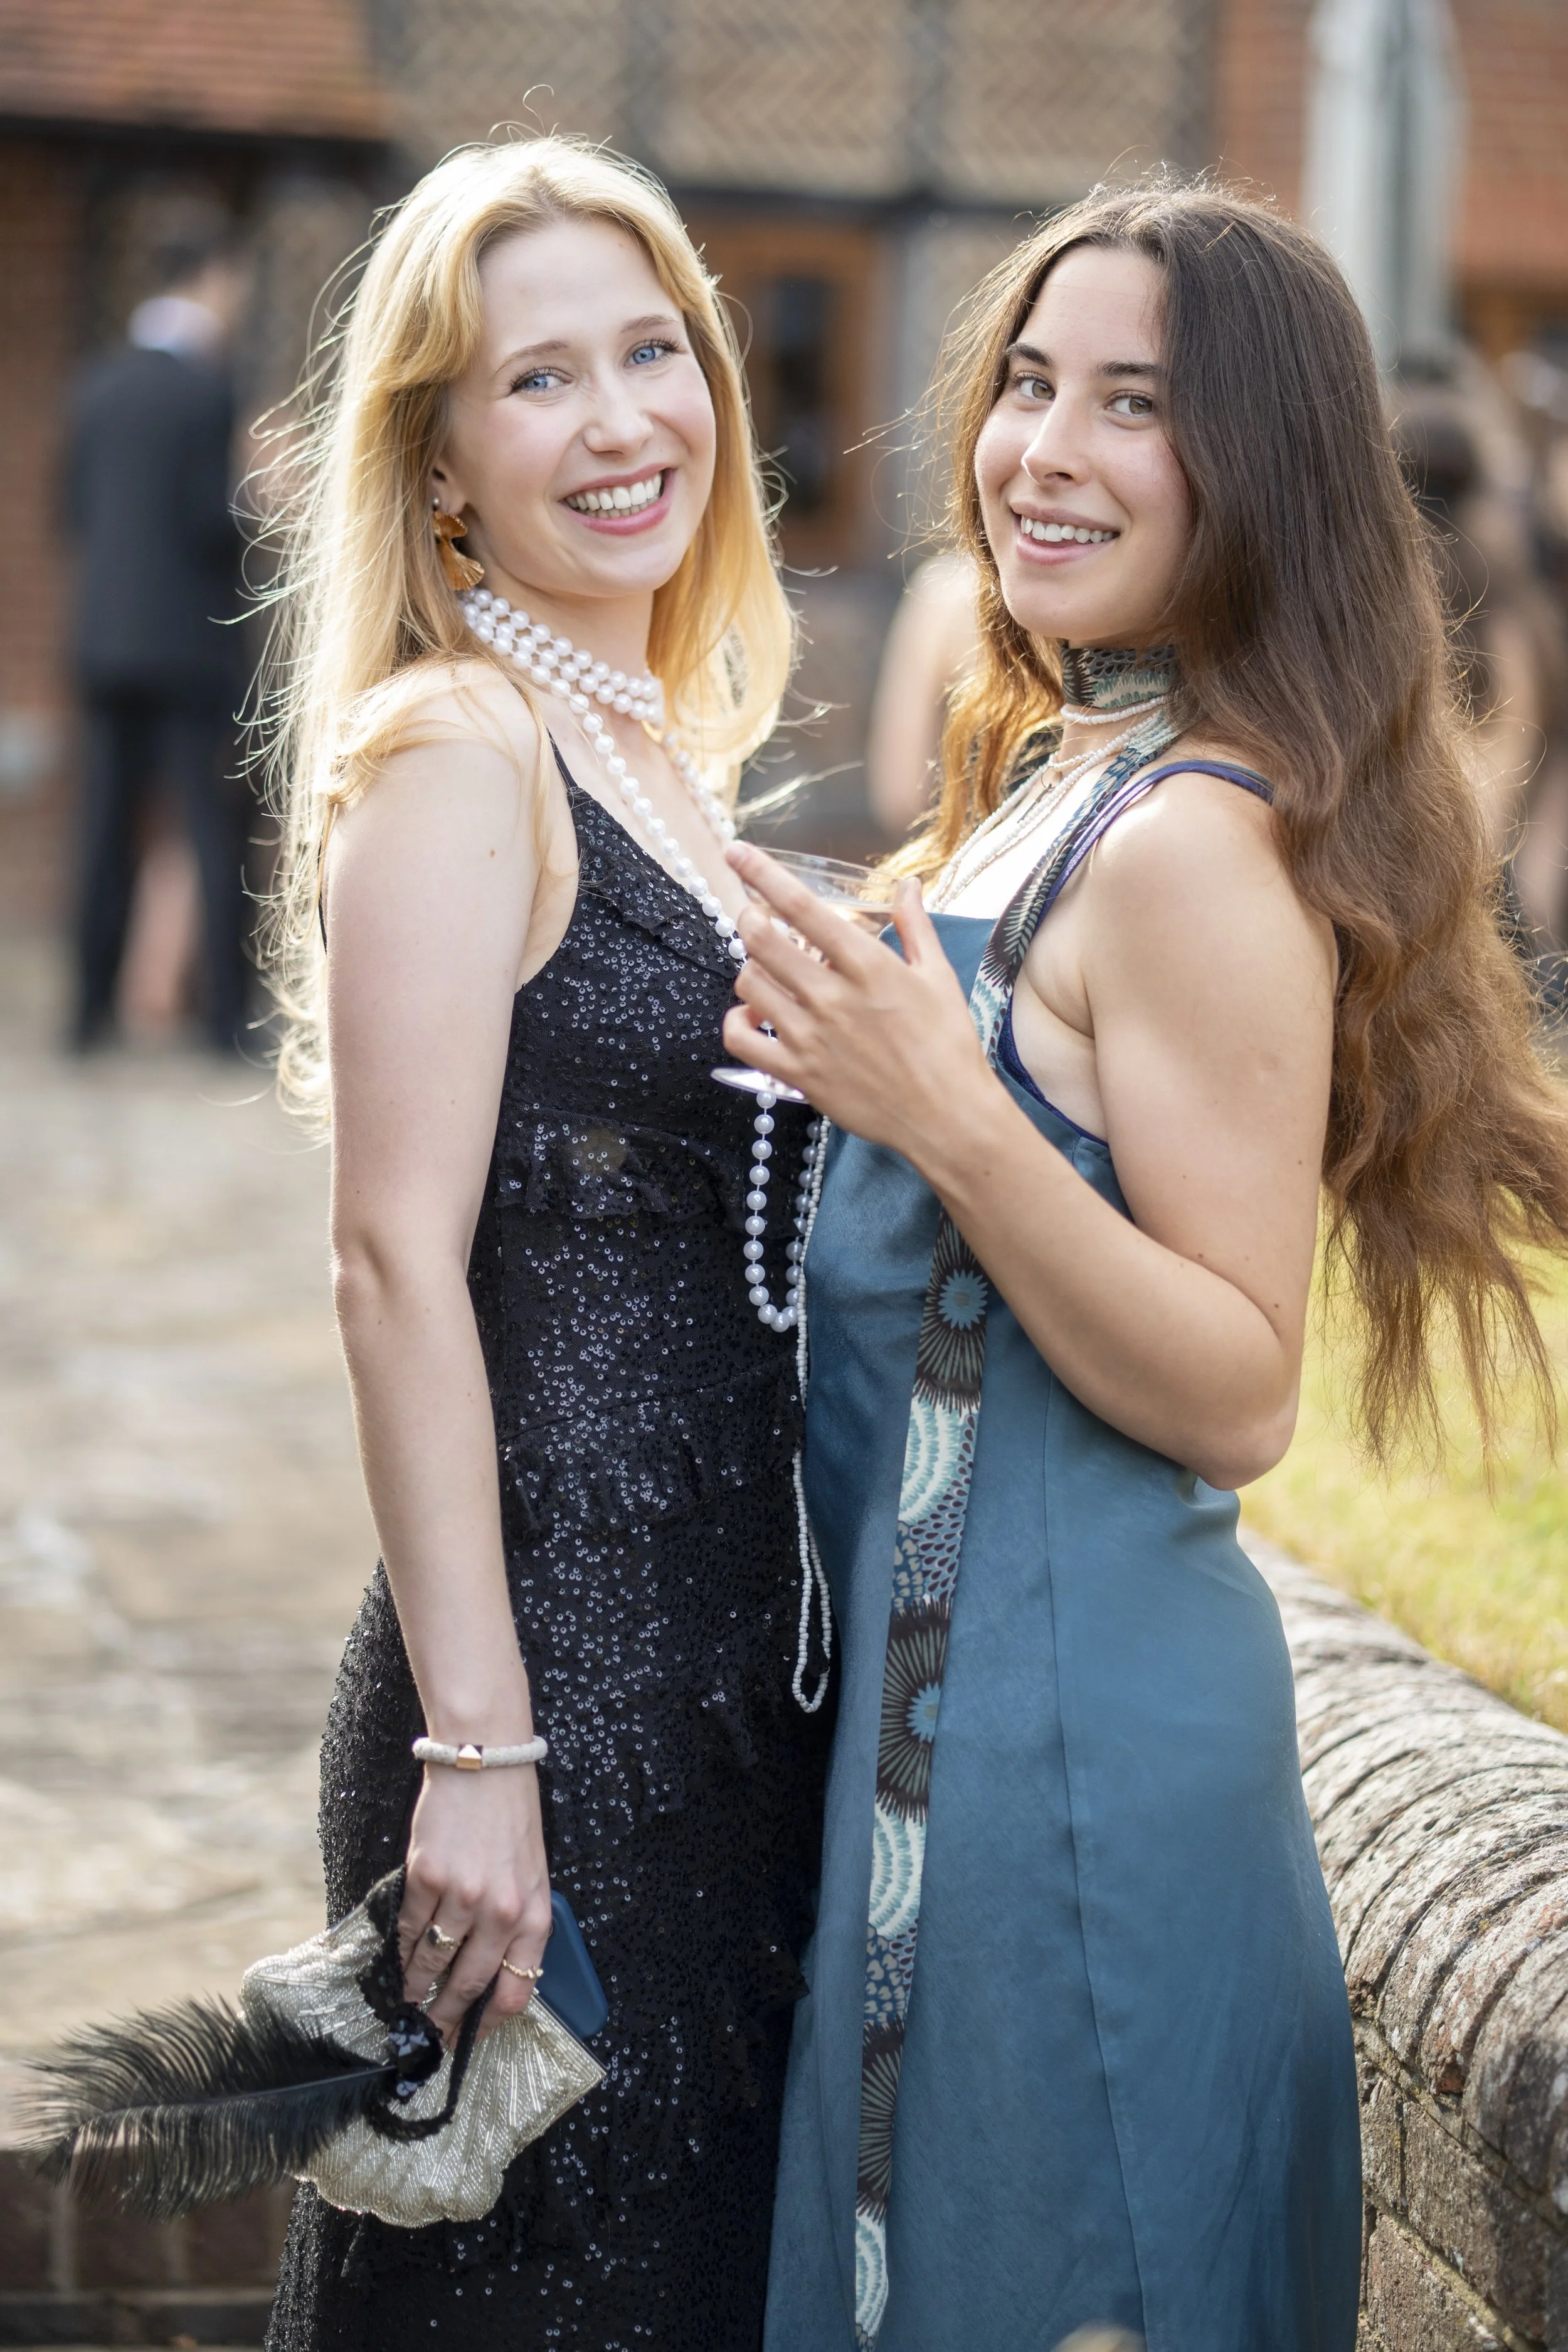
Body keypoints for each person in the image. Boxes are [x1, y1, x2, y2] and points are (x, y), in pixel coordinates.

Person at [724, 184, 1568, 2351]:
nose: (1046, 450)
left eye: (1134, 406)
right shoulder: (1048, 773)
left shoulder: (1194, 842)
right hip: (936, 1758)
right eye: (1029, 384)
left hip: (1069, 1775)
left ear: (1254, 472)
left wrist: (951, 1114)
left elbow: (1239, 1381)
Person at [259, 139, 829, 2350]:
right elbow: (390, 1264)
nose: (623, 422)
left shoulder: (664, 748)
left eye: (652, 352)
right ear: (441, 466)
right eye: (538, 379)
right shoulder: (457, 745)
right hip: (538, 1716)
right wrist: (482, 1756)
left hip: (712, 1700)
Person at [62, 213, 250, 1052]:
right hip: (188, 649)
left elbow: (70, 509)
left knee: (103, 828)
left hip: (104, 641)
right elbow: (208, 520)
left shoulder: (95, 383)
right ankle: (222, 1022)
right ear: (213, 276)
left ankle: (87, 1015)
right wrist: (257, 500)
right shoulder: (209, 390)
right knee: (209, 828)